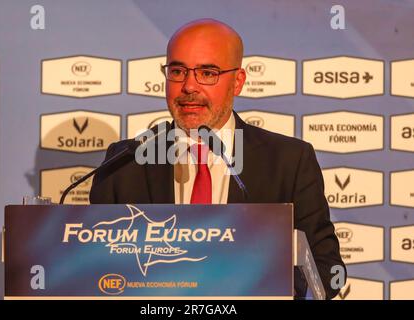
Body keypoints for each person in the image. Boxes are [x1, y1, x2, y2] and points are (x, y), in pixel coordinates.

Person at [90, 18, 345, 299]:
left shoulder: (289, 161)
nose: (189, 86)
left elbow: (327, 269)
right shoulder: (125, 163)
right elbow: (94, 266)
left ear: (237, 82)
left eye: (207, 73)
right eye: (177, 71)